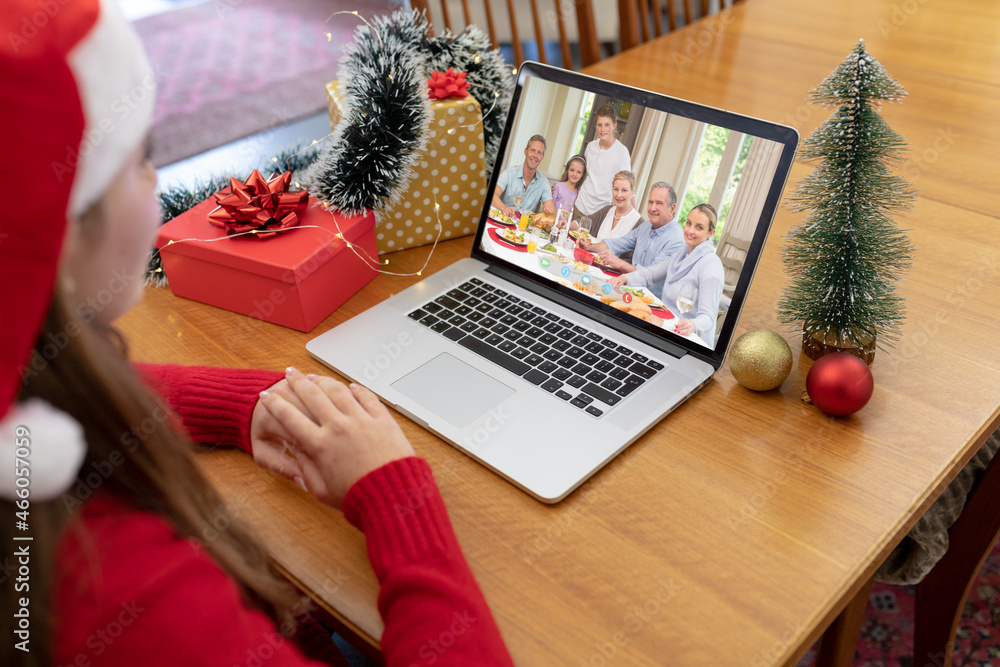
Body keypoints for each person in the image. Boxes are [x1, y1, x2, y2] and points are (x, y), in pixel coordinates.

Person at [0, 3, 514, 667]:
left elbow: (63, 392)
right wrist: (396, 492)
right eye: (141, 158)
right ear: (58, 231)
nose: (156, 179)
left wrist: (246, 402)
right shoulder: (134, 602)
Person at [609, 204, 724, 344]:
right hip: (667, 324)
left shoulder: (711, 265)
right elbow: (651, 274)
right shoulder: (683, 254)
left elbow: (708, 317)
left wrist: (692, 325)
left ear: (710, 233)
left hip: (689, 339)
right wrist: (625, 278)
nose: (690, 231)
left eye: (699, 227)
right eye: (689, 223)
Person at [577, 181, 684, 297]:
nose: (653, 208)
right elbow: (618, 243)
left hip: (649, 299)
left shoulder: (676, 240)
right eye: (651, 202)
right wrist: (590, 247)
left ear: (672, 209)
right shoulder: (645, 226)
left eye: (659, 203)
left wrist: (619, 263)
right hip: (627, 289)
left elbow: (650, 275)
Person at [572, 104, 632, 218]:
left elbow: (627, 184)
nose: (603, 129)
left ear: (614, 126)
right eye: (600, 125)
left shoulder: (622, 152)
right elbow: (583, 174)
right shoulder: (590, 147)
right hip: (580, 205)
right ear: (595, 126)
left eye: (607, 125)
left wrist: (632, 214)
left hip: (602, 213)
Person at [491, 134, 555, 218]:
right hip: (502, 220)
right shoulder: (509, 173)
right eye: (532, 150)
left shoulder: (543, 182)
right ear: (526, 151)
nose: (535, 155)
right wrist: (504, 208)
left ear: (542, 157)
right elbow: (492, 195)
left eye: (539, 152)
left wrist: (550, 211)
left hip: (523, 228)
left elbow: (551, 209)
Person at [570, 170, 642, 242]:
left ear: (633, 193)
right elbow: (585, 222)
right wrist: (568, 226)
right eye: (616, 189)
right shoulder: (607, 210)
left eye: (624, 190)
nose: (619, 195)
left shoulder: (638, 223)